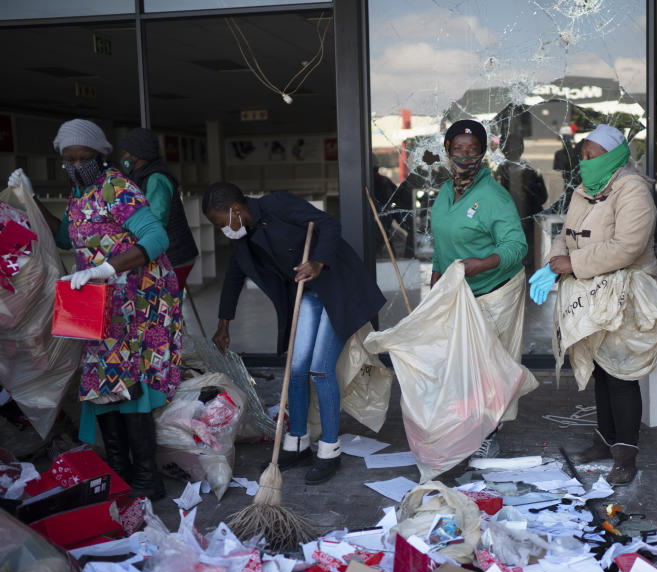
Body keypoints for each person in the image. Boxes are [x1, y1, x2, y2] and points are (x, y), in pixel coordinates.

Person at [7, 119, 183, 500]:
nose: (75, 164)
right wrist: (31, 198)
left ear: (100, 155)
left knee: (128, 383)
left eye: (83, 157)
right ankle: (120, 473)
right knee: (102, 382)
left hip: (136, 301)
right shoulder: (80, 194)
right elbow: (64, 237)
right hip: (97, 303)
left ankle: (146, 478)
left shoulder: (116, 187)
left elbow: (157, 237)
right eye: (68, 159)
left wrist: (106, 268)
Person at [203, 182, 385, 484]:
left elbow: (328, 223)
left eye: (218, 221)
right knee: (296, 368)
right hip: (307, 294)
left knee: (320, 370)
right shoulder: (244, 238)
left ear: (234, 211)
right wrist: (224, 324)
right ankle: (297, 442)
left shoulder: (278, 203)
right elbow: (234, 277)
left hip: (334, 286)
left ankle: (329, 450)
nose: (220, 228)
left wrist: (317, 261)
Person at [533, 124, 657, 486]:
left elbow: (628, 247)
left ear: (615, 156)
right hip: (590, 292)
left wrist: (574, 264)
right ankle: (604, 440)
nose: (586, 163)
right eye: (583, 156)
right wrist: (555, 262)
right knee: (602, 371)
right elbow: (566, 234)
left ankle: (626, 454)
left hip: (625, 293)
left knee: (622, 373)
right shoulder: (583, 191)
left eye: (593, 156)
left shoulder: (633, 190)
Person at [430, 119, 528, 458]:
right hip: (456, 293)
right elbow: (441, 246)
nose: (464, 156)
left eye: (472, 151)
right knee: (460, 365)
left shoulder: (494, 196)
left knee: (488, 368)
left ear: (483, 154)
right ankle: (466, 426)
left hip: (492, 292)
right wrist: (435, 286)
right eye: (457, 149)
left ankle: (489, 433)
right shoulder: (444, 193)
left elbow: (517, 247)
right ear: (447, 151)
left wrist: (481, 263)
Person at [117, 128, 199, 291]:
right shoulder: (141, 177)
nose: (123, 158)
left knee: (164, 306)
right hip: (168, 254)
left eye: (126, 153)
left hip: (175, 256)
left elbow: (156, 221)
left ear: (136, 155)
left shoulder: (155, 179)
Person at [496, 132, 547, 269]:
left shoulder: (526, 171)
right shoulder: (501, 171)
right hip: (514, 223)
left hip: (526, 222)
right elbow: (543, 196)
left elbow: (542, 197)